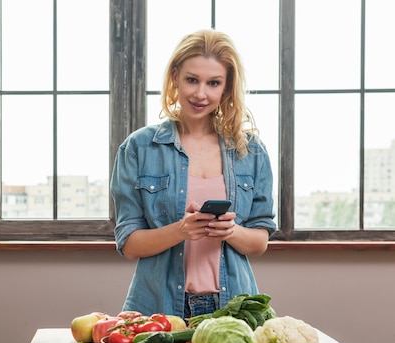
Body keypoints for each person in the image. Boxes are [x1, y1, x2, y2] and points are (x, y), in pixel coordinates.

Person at [110, 29, 277, 321]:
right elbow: (129, 243)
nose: (201, 93)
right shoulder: (139, 147)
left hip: (234, 311)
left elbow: (260, 241)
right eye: (192, 80)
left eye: (214, 83)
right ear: (175, 77)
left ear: (226, 88)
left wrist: (232, 231)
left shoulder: (251, 151)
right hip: (157, 310)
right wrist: (180, 230)